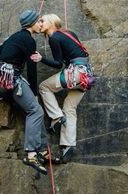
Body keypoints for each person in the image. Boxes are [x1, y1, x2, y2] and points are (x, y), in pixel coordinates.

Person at [0, 10, 55, 175]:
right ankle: (32, 154)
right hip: (12, 79)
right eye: (39, 21)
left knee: (34, 110)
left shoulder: (13, 38)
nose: (41, 24)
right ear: (32, 23)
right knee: (35, 109)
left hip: (0, 82)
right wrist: (33, 91)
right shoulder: (28, 40)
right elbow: (32, 70)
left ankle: (42, 150)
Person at [31, 14, 90, 163]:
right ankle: (68, 146)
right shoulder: (69, 33)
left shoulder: (54, 37)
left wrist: (41, 59)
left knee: (44, 87)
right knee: (69, 108)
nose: (40, 23)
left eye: (42, 20)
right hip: (86, 75)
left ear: (51, 22)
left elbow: (58, 64)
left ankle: (56, 118)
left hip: (75, 73)